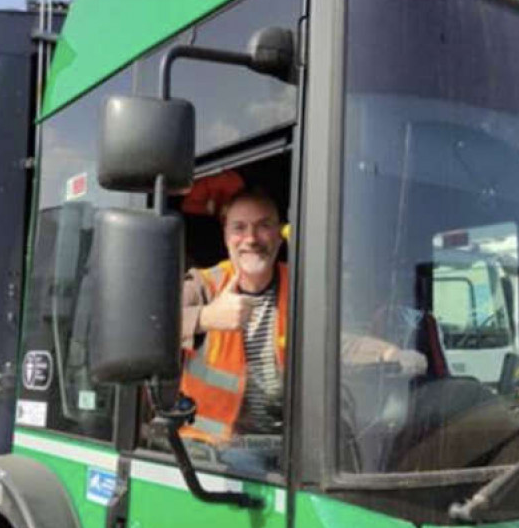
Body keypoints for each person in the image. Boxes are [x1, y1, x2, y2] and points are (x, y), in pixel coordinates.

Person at [180, 187, 428, 443]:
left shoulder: (302, 285)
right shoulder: (203, 285)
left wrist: (390, 354)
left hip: (285, 447)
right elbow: (145, 327)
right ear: (226, 236)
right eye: (239, 228)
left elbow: (337, 343)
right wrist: (206, 317)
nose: (251, 238)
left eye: (263, 226)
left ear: (279, 235)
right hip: (210, 452)